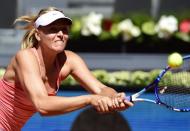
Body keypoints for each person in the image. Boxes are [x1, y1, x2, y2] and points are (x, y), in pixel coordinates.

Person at [0, 7, 133, 131]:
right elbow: (42, 105)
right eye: (53, 29)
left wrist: (114, 97)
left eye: (64, 29)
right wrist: (90, 99)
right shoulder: (25, 57)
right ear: (38, 35)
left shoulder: (70, 60)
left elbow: (101, 89)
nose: (60, 34)